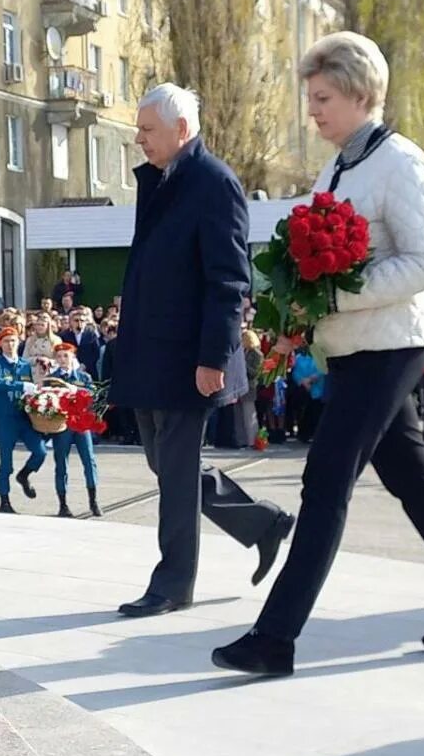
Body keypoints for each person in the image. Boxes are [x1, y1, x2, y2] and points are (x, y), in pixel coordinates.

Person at [212, 32, 424, 676]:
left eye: (322, 98)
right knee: (414, 481)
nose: (313, 110)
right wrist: (299, 316)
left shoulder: (401, 162)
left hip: (392, 345)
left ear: (359, 93)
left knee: (325, 483)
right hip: (355, 347)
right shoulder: (341, 165)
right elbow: (325, 270)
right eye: (312, 98)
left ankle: (275, 638)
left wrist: (332, 302)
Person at [111, 82, 295, 619]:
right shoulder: (166, 180)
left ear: (181, 130)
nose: (138, 139)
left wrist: (214, 357)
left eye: (147, 130)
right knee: (165, 463)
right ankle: (263, 522)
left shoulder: (213, 183)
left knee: (174, 470)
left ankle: (172, 584)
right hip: (152, 353)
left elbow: (229, 279)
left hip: (189, 357)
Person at [0, 327, 47, 514]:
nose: (10, 345)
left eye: (13, 341)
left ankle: (24, 475)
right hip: (6, 418)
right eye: (6, 341)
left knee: (40, 452)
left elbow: (31, 389)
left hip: (23, 416)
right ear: (0, 344)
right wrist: (23, 385)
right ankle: (4, 499)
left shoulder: (23, 365)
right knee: (6, 461)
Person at [50, 343, 101, 517]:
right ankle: (63, 504)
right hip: (62, 425)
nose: (63, 360)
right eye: (60, 356)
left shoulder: (83, 376)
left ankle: (93, 501)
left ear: (73, 358)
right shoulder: (52, 378)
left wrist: (77, 390)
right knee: (61, 462)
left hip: (81, 423)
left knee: (89, 460)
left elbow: (93, 395)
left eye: (66, 356)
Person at [60, 310, 102, 376]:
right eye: (76, 320)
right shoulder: (64, 335)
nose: (79, 323)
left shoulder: (91, 334)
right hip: (71, 371)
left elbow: (96, 353)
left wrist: (85, 365)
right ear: (71, 322)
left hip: (89, 370)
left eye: (82, 321)